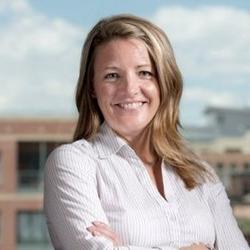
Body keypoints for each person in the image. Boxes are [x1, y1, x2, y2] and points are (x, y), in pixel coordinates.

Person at [44, 14, 249, 250]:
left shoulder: (202, 175)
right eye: (112, 76)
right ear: (92, 86)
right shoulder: (72, 163)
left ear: (164, 81)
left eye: (145, 73)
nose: (130, 89)